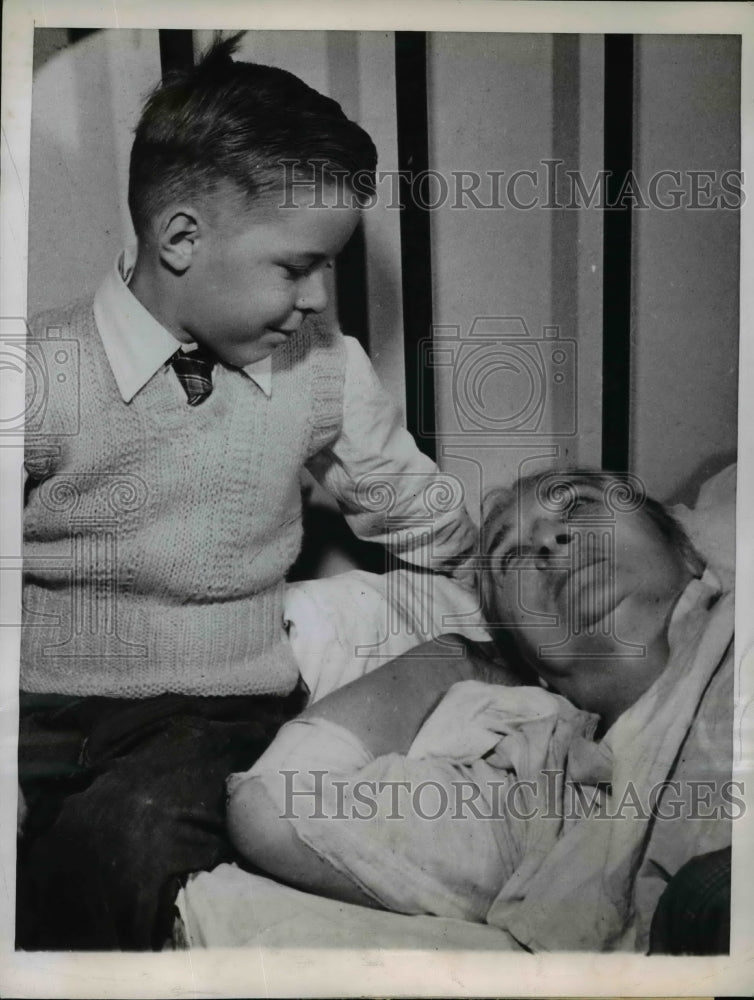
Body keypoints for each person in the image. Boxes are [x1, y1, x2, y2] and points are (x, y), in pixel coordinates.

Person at [17, 34, 477, 951]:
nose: (316, 299)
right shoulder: (36, 369)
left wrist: (511, 585)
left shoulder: (324, 374)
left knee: (130, 837)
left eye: (329, 270)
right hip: (34, 702)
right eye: (296, 266)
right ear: (181, 236)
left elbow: (421, 513)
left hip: (208, 708)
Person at [228, 468, 734, 952]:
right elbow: (274, 805)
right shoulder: (544, 797)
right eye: (511, 556)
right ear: (528, 658)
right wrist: (456, 657)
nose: (547, 541)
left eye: (579, 507)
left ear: (688, 552)